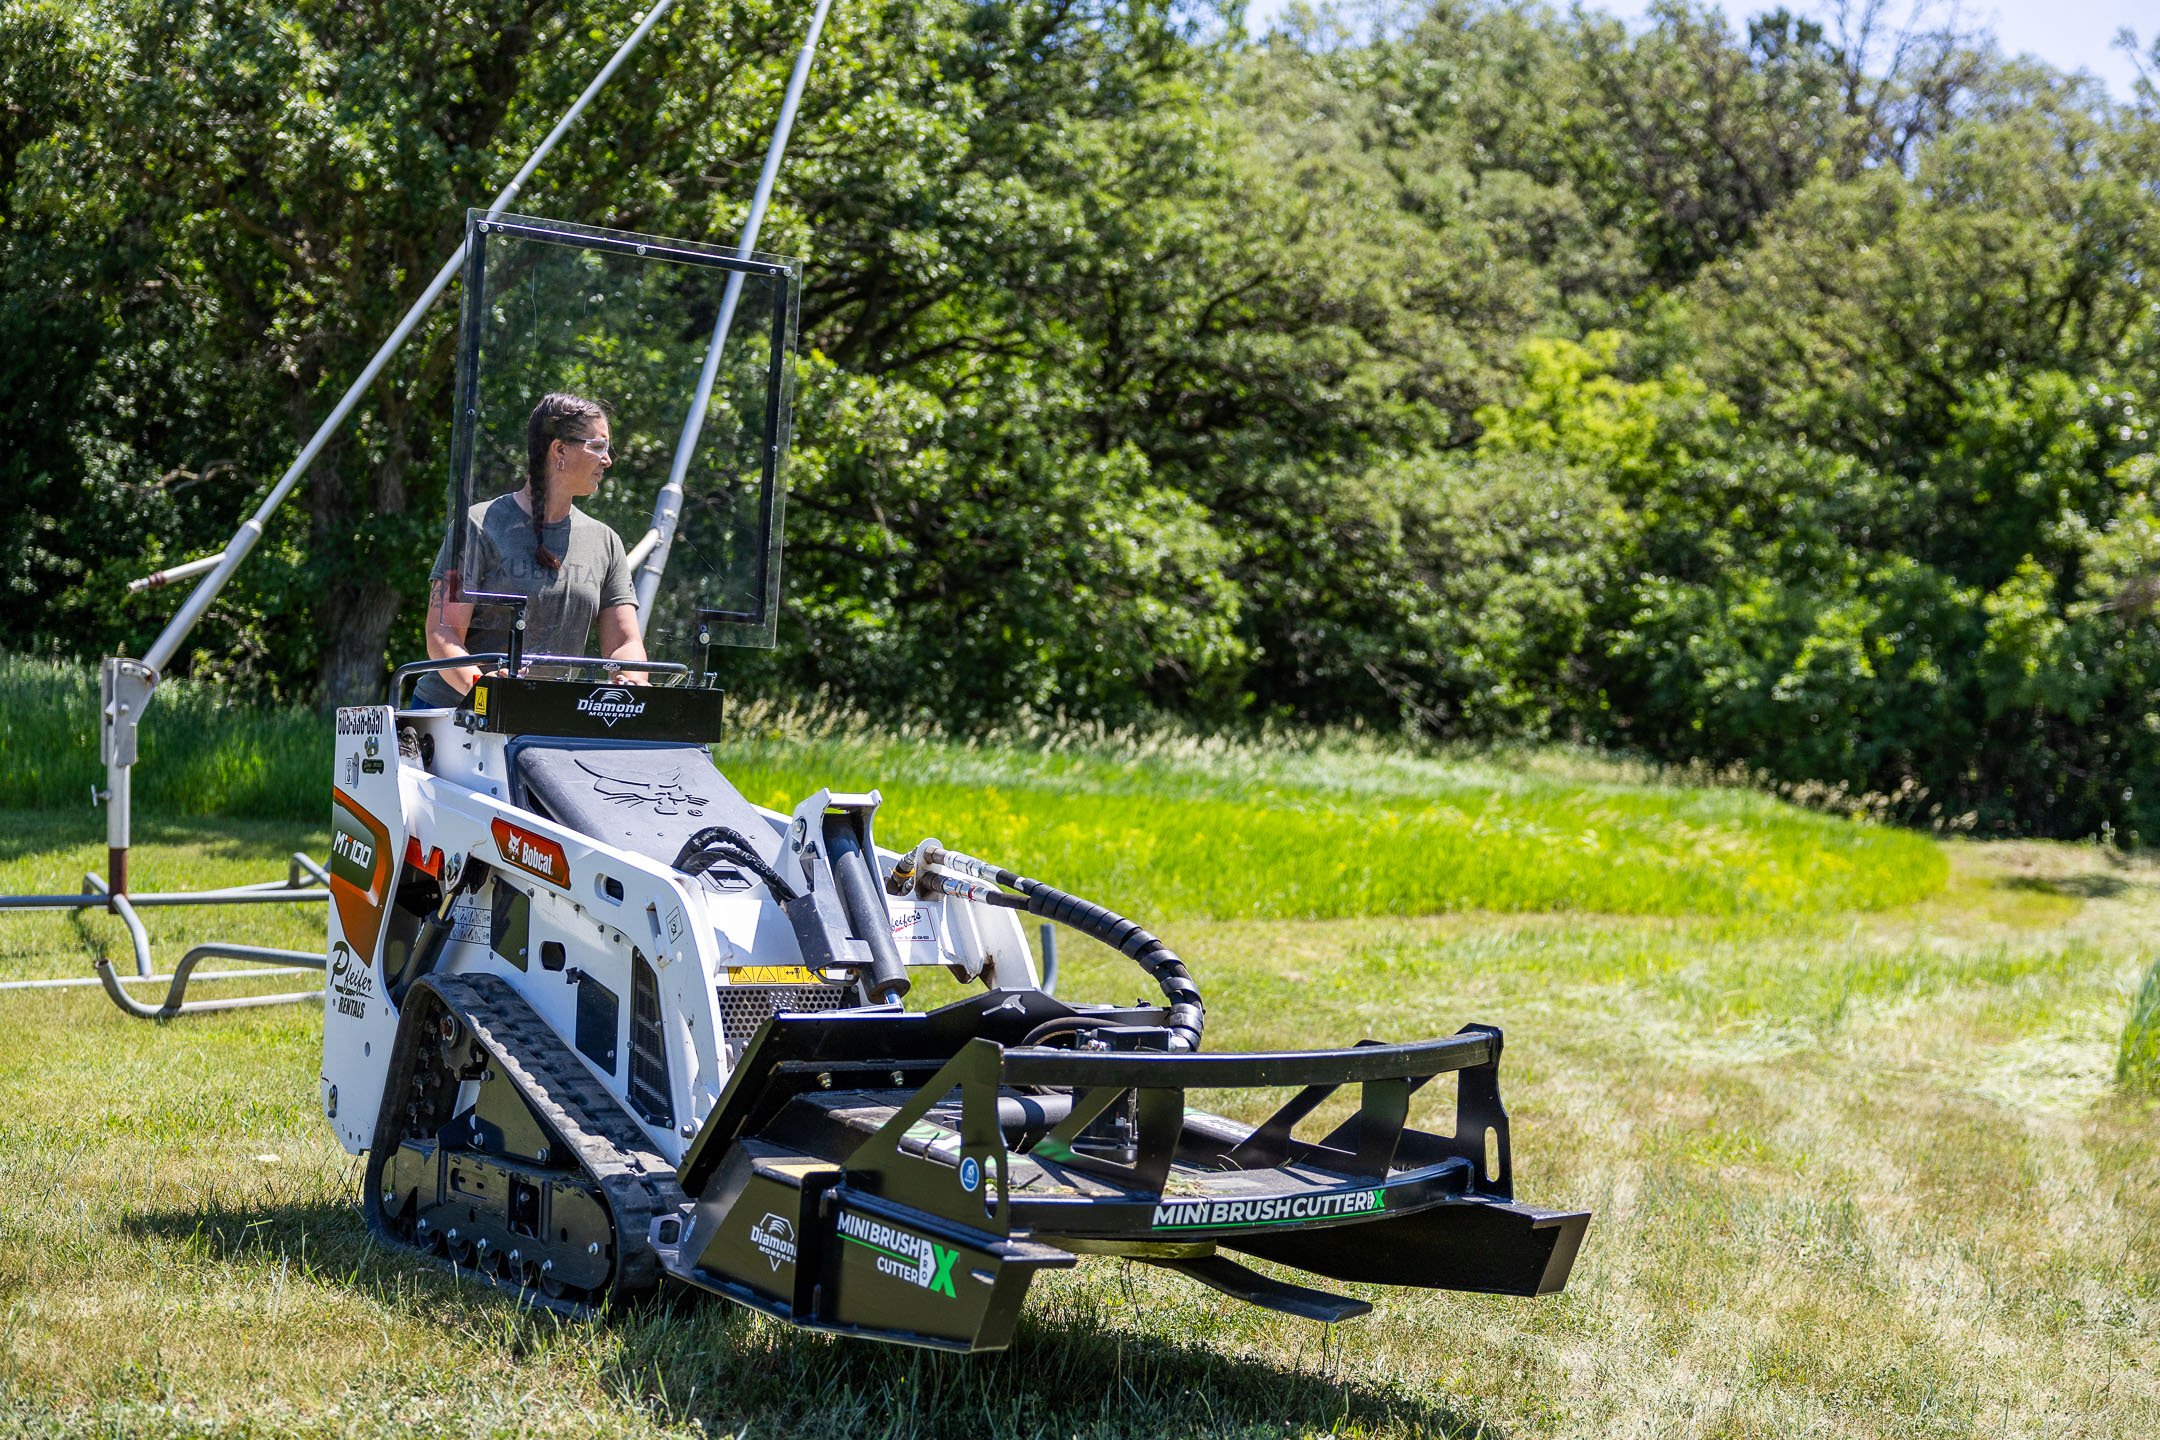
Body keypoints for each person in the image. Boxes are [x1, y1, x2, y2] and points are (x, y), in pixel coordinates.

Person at [411, 392, 647, 708]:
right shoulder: (477, 525)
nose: (608, 460)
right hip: (454, 717)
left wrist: (629, 676)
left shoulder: (605, 541)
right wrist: (486, 689)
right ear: (560, 449)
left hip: (547, 716)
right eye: (598, 447)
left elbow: (624, 642)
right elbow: (442, 636)